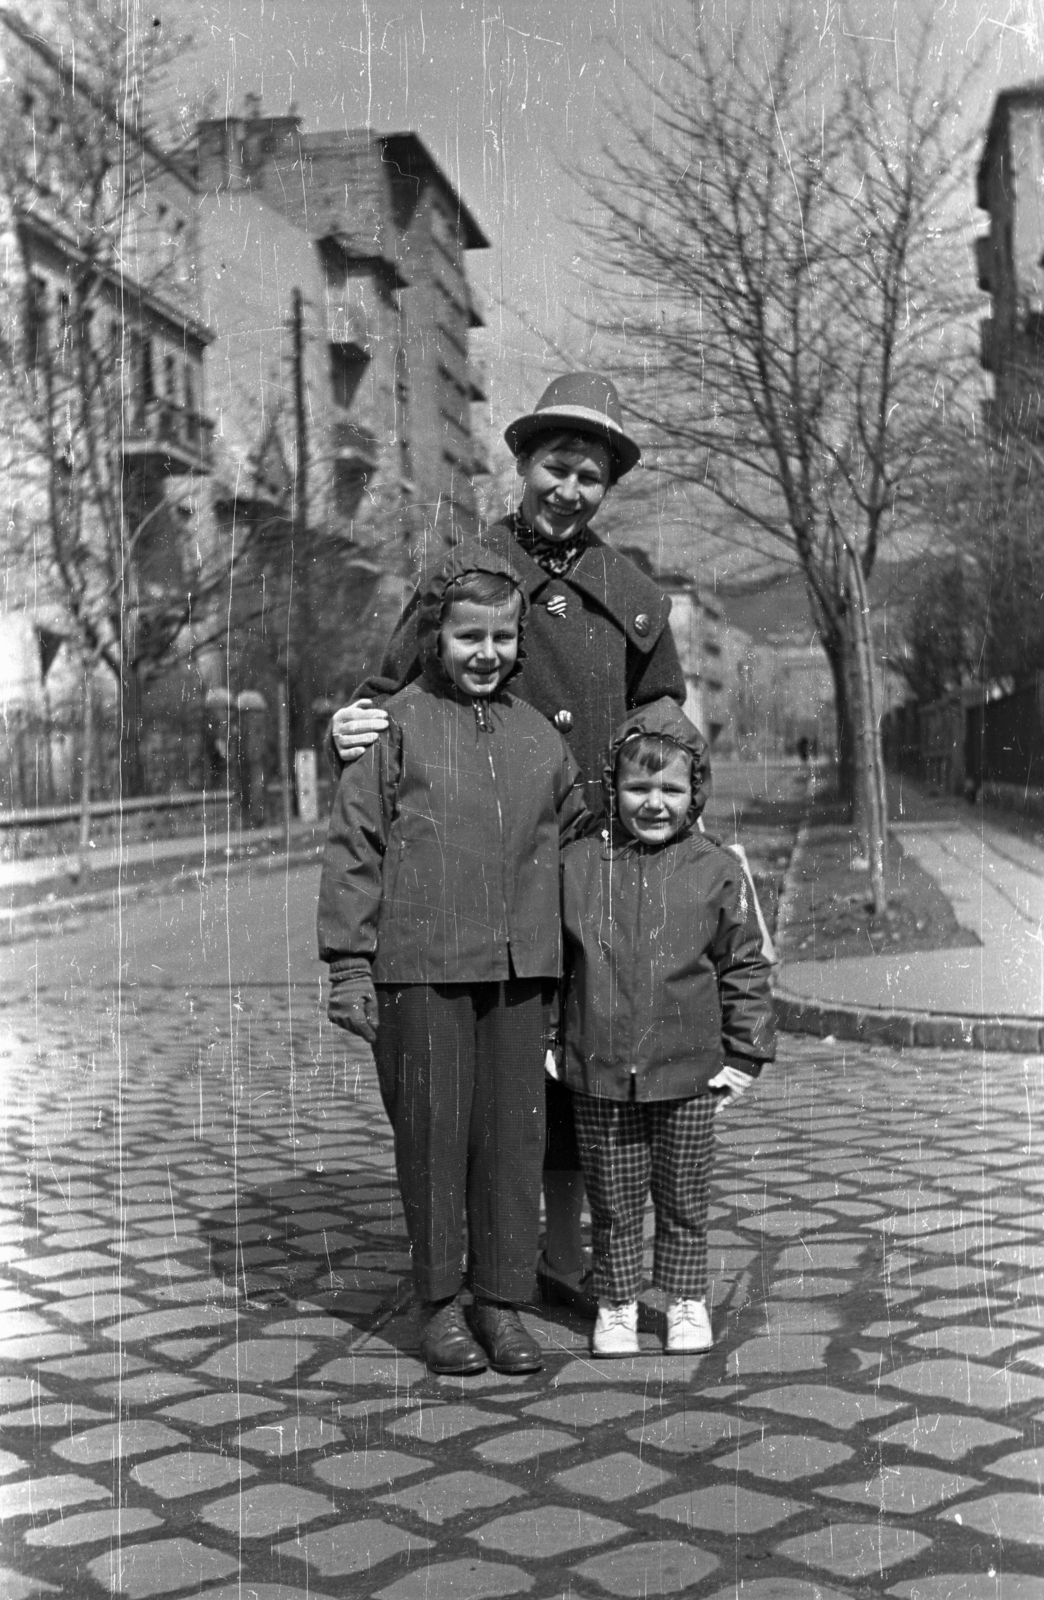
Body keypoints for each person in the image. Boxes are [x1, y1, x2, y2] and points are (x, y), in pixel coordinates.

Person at [329, 371, 688, 1316]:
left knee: (582, 1053)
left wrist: (668, 804)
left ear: (609, 486)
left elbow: (663, 715)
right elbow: (387, 691)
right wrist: (345, 727)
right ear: (523, 464)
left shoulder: (632, 596)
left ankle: (561, 1250)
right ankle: (487, 1260)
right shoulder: (463, 575)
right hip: (480, 874)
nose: (570, 490)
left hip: (593, 858)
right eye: (555, 468)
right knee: (489, 1070)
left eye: (590, 476)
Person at [317, 542, 587, 1378]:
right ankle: (438, 1304)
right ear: (435, 637)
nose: (486, 653)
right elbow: (355, 848)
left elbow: (578, 848)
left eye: (503, 638)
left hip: (520, 977)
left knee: (513, 1142)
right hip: (420, 973)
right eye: (470, 636)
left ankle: (500, 1302)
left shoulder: (540, 738)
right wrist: (349, 966)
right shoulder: (394, 727)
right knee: (433, 1140)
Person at [559, 698, 775, 1357]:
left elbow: (745, 964)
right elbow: (554, 961)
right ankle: (617, 1303)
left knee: (683, 1195)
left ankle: (686, 1299)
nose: (654, 804)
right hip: (600, 1069)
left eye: (671, 790)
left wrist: (745, 1052)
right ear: (613, 787)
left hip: (688, 1072)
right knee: (613, 1197)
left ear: (695, 791)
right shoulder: (579, 866)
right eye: (638, 788)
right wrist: (549, 1039)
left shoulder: (717, 869)